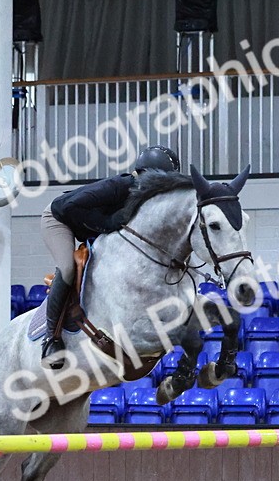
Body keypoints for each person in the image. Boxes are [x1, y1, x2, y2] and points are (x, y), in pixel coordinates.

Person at [39, 145, 181, 367]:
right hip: (59, 218)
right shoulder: (118, 186)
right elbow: (70, 207)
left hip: (87, 226)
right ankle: (51, 338)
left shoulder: (145, 199)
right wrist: (106, 224)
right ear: (147, 176)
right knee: (67, 268)